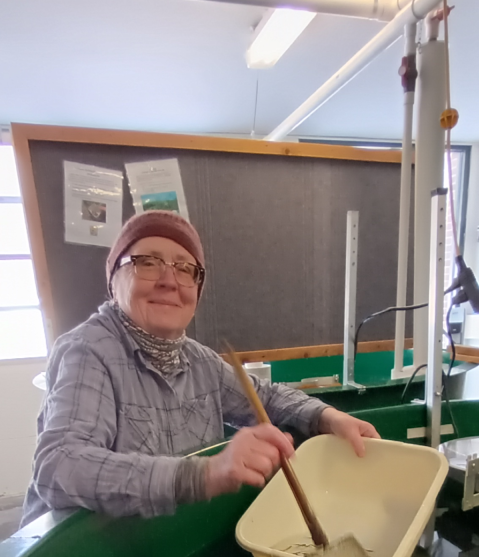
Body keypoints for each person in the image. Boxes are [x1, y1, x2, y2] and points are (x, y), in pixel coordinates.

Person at [22, 210, 379, 525]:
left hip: (160, 547)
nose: (169, 280)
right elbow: (60, 467)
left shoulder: (199, 359)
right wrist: (204, 474)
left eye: (185, 268)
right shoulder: (87, 350)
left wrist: (327, 417)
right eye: (147, 262)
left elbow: (266, 397)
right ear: (114, 281)